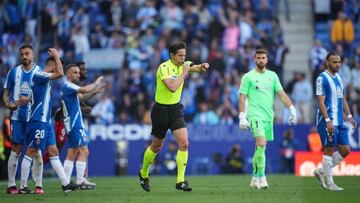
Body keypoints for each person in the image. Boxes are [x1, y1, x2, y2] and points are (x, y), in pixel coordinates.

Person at [138, 41, 209, 192]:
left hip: (176, 109)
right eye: (180, 55)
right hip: (161, 110)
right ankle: (143, 173)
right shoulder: (164, 68)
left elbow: (194, 67)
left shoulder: (183, 64)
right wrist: (184, 72)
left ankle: (180, 181)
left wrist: (202, 66)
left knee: (184, 143)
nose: (183, 58)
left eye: (184, 55)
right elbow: (172, 87)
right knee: (156, 146)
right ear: (172, 55)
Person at [18, 49, 79, 194]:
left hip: (46, 121)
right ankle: (22, 186)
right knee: (31, 151)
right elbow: (60, 73)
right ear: (51, 64)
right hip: (38, 119)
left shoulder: (41, 76)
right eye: (57, 64)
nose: (59, 68)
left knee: (53, 150)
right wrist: (57, 55)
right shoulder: (40, 74)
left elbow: (34, 95)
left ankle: (65, 184)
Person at [238, 48, 297, 189]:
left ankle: (255, 177)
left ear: (267, 59)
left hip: (269, 117)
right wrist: (242, 116)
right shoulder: (248, 77)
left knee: (260, 148)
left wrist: (292, 108)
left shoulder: (273, 76)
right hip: (254, 114)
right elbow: (242, 97)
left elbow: (282, 94)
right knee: (262, 143)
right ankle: (262, 177)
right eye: (258, 58)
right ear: (254, 59)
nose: (261, 60)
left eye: (263, 58)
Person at [2, 44, 44, 194]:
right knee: (16, 150)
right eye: (22, 54)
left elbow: (44, 96)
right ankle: (12, 185)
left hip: (35, 118)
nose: (24, 56)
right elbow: (6, 93)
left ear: (33, 55)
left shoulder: (40, 72)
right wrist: (8, 103)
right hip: (18, 118)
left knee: (36, 151)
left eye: (27, 53)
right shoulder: (14, 72)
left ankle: (38, 185)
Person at [313, 51, 357, 191]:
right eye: (334, 62)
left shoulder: (339, 77)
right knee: (329, 149)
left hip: (339, 120)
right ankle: (330, 183)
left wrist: (349, 116)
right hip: (327, 120)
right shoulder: (322, 78)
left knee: (345, 150)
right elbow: (320, 101)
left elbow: (342, 98)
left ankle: (321, 171)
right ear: (327, 62)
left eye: (339, 62)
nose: (338, 64)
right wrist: (327, 120)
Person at [61, 64, 105, 187]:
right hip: (75, 124)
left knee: (73, 152)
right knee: (84, 151)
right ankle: (79, 181)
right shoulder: (68, 85)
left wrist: (95, 92)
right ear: (68, 74)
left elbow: (82, 96)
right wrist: (96, 83)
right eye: (75, 72)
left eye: (78, 72)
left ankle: (67, 182)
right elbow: (84, 90)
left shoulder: (68, 87)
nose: (78, 74)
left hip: (72, 123)